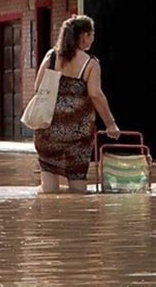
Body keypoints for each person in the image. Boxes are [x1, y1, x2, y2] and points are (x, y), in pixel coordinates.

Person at [34, 15, 120, 193]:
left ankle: (48, 217)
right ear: (85, 36)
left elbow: (38, 87)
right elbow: (96, 95)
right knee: (77, 182)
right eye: (92, 34)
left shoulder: (51, 56)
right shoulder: (91, 64)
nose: (93, 38)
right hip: (78, 132)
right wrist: (111, 124)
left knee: (48, 185)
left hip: (47, 128)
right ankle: (77, 219)